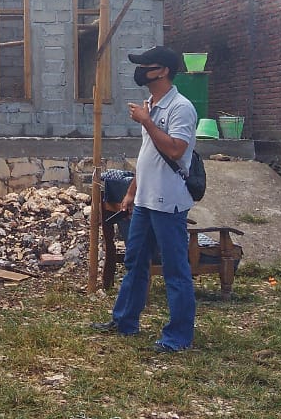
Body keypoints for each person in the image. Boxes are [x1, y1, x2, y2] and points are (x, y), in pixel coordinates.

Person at [97, 45, 199, 353]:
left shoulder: (181, 107)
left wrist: (147, 122)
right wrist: (131, 192)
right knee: (135, 263)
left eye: (146, 66)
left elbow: (175, 150)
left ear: (163, 71)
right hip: (144, 200)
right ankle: (125, 321)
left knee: (175, 270)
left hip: (168, 202)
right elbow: (148, 155)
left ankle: (178, 337)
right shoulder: (151, 105)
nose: (140, 71)